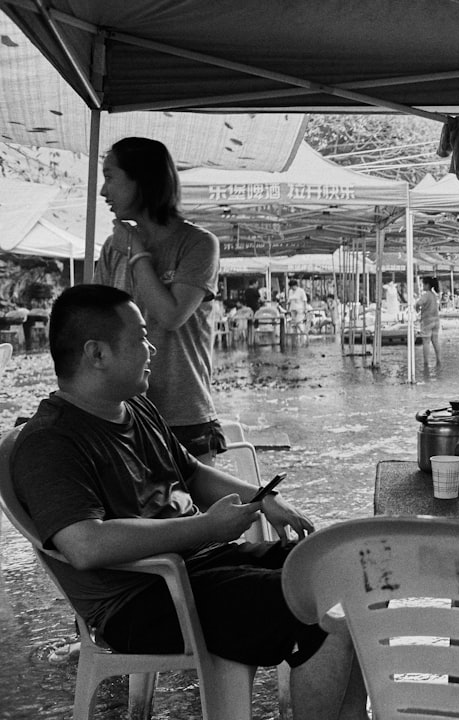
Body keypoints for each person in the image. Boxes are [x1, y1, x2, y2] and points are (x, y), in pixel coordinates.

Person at [11, 284, 368, 719]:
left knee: (346, 567)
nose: (152, 348)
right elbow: (85, 545)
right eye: (141, 337)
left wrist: (262, 499)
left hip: (202, 566)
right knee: (321, 618)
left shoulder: (136, 408)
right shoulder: (50, 441)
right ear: (97, 354)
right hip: (144, 601)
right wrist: (205, 528)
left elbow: (194, 474)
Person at [94, 137, 225, 463]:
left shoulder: (199, 245)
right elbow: (97, 324)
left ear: (144, 180)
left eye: (110, 176)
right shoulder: (112, 247)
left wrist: (137, 252)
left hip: (184, 413)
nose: (102, 191)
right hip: (124, 411)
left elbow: (171, 316)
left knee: (196, 512)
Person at [415, 276, 442, 368]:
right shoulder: (434, 295)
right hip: (436, 321)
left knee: (426, 342)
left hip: (427, 321)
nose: (422, 286)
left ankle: (426, 363)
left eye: (423, 284)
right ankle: (439, 360)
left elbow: (418, 303)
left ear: (427, 285)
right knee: (435, 341)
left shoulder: (426, 295)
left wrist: (417, 310)